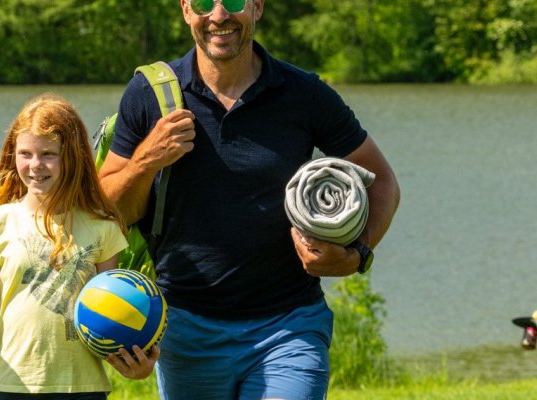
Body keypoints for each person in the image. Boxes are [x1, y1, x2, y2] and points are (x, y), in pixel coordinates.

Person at [98, 0, 402, 398]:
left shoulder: (304, 93)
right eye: (205, 3)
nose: (219, 15)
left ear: (257, 7)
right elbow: (108, 211)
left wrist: (357, 254)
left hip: (289, 326)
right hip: (186, 330)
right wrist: (146, 161)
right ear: (187, 10)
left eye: (235, 2)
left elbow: (382, 182)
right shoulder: (149, 94)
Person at [0, 94, 159, 400]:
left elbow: (111, 318)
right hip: (17, 388)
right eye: (25, 153)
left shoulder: (103, 227)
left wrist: (137, 366)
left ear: (73, 157)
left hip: (85, 390)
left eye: (48, 154)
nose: (35, 165)